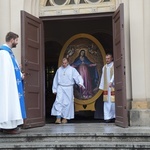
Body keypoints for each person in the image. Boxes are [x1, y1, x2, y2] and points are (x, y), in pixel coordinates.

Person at [0, 32, 26, 134]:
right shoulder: (4, 53)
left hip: (12, 84)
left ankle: (10, 125)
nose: (17, 42)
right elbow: (6, 72)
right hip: (7, 86)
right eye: (16, 40)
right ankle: (7, 127)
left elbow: (13, 69)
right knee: (7, 102)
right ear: (12, 40)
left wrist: (20, 75)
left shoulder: (9, 53)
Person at [51, 57, 84, 124]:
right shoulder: (59, 70)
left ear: (68, 62)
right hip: (60, 87)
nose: (64, 64)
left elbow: (77, 76)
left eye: (65, 63)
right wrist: (54, 89)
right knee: (58, 101)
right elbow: (56, 80)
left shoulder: (72, 70)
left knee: (67, 103)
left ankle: (65, 118)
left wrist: (80, 83)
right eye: (63, 63)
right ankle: (58, 117)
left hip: (69, 88)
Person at [99, 53, 115, 123]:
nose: (107, 60)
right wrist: (102, 86)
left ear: (112, 58)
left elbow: (115, 74)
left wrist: (111, 81)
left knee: (113, 102)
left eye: (108, 58)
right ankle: (107, 117)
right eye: (106, 59)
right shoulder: (104, 67)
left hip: (113, 87)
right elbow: (103, 77)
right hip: (106, 88)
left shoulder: (114, 66)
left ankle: (114, 116)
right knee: (106, 102)